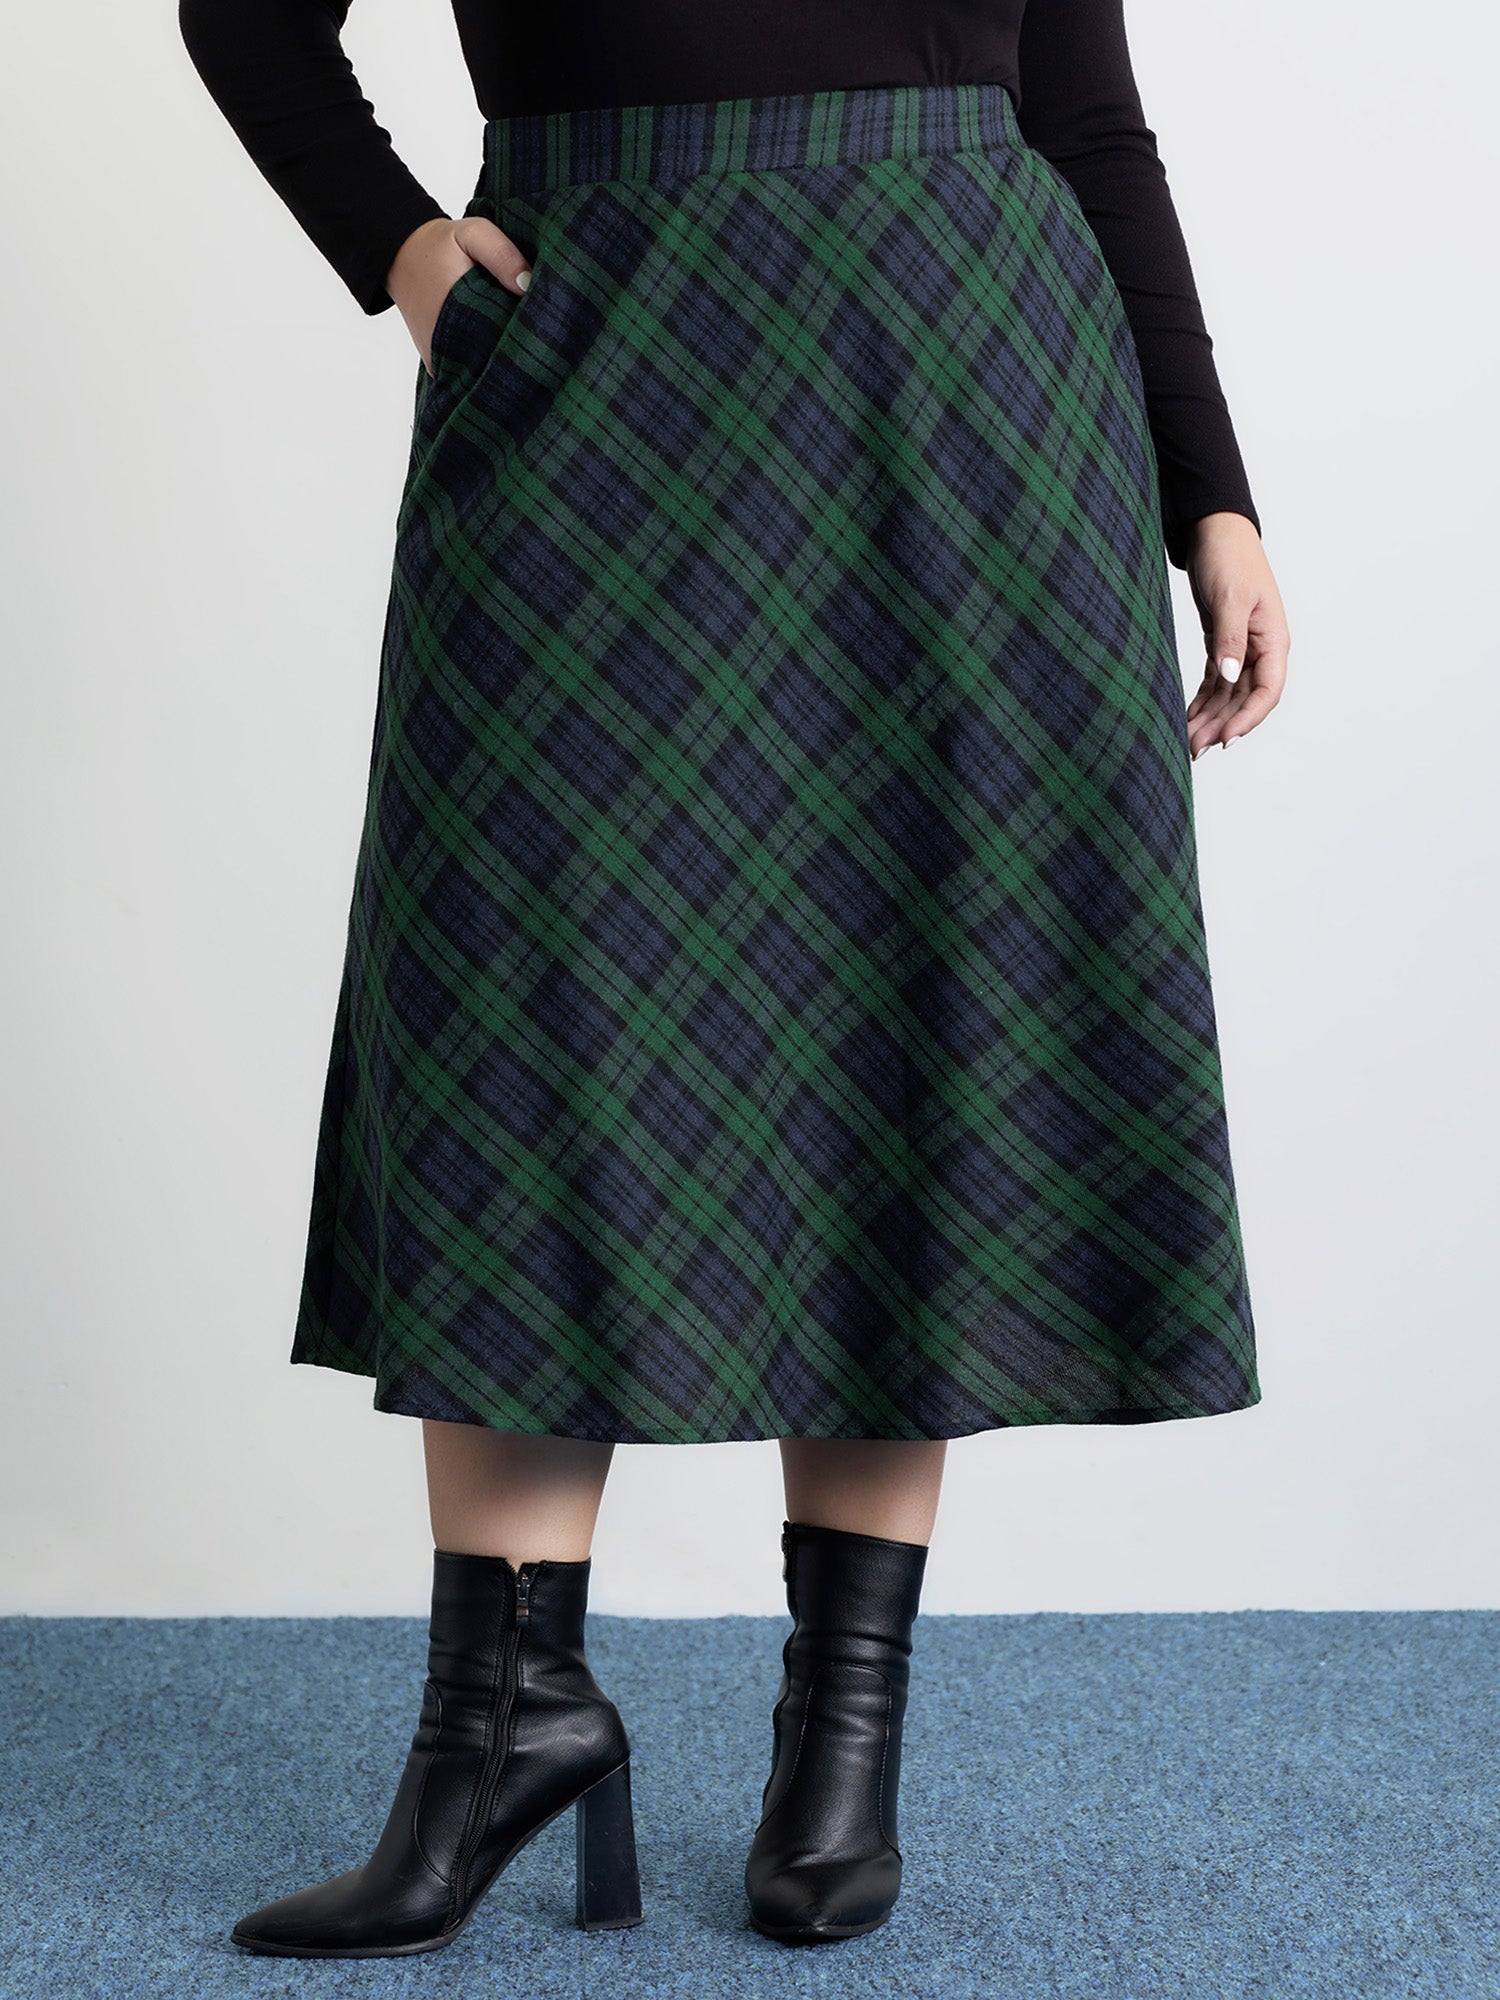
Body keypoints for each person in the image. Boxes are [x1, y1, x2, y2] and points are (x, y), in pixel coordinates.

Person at [178, 0, 1289, 1958]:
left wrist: (1212, 491)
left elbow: (1086, 112)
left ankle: (842, 1740)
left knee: (905, 1010)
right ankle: (502, 1715)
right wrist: (408, 254)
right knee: (525, 1028)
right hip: (598, 375)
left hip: (968, 384)